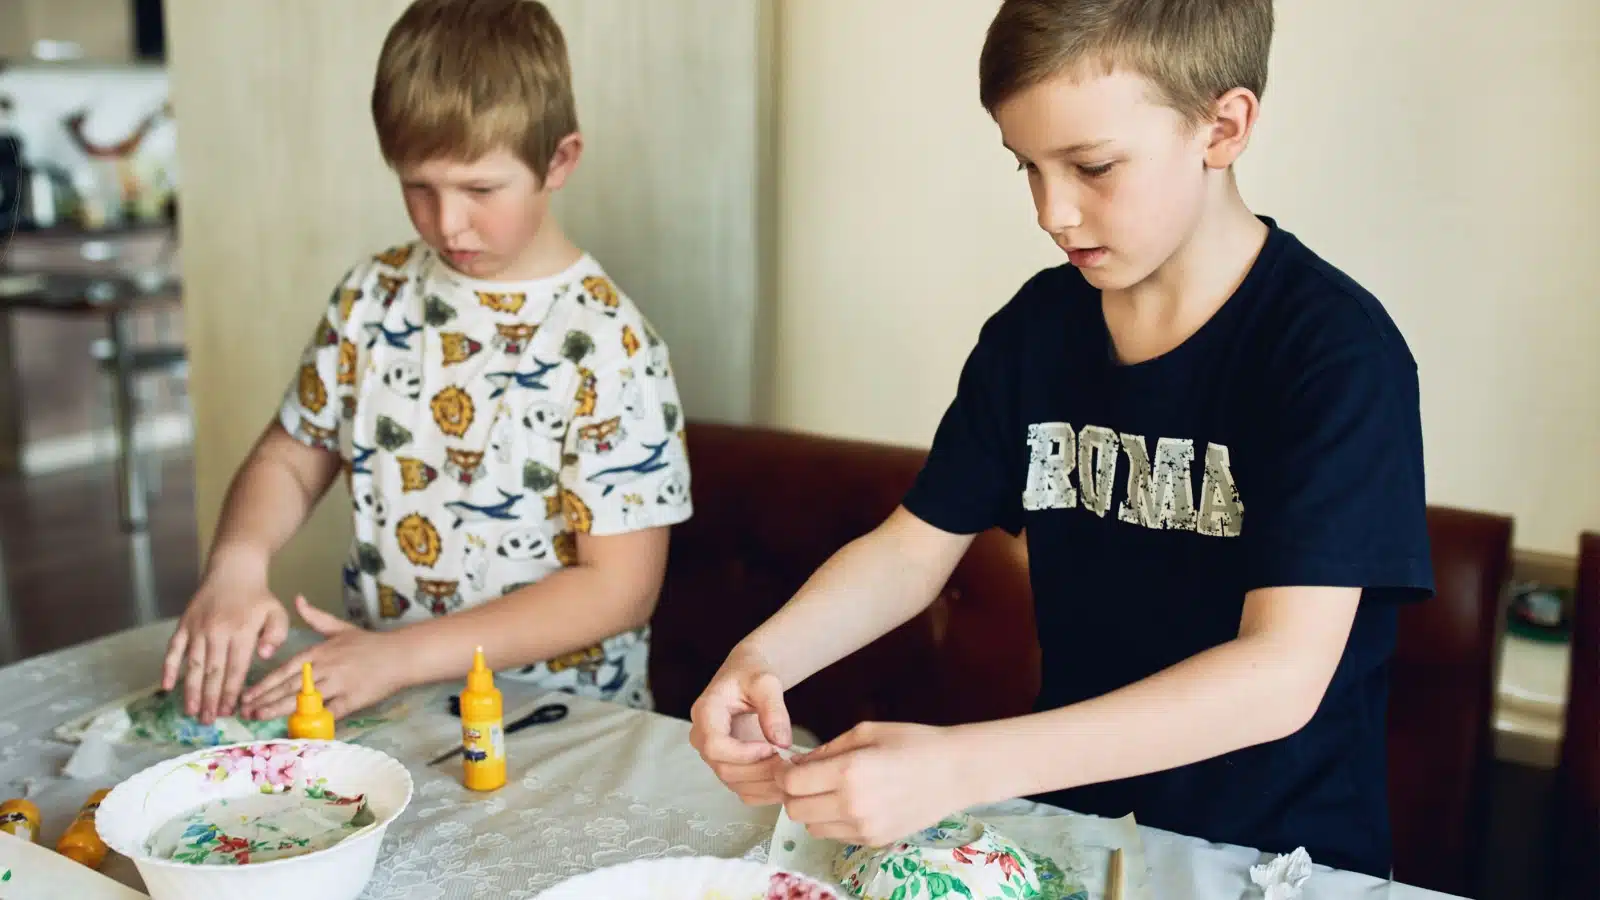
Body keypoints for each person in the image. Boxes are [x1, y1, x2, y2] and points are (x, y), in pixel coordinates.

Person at [688, 0, 1430, 879]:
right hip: (1079, 834)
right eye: (1028, 167)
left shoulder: (1334, 354)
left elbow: (1280, 675)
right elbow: (912, 550)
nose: (1053, 211)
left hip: (1279, 860)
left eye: (1092, 166)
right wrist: (763, 656)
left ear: (1223, 128)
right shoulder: (1037, 331)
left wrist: (960, 765)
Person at [161, 0, 692, 727]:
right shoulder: (371, 296)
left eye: (479, 190)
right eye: (418, 186)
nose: (447, 222)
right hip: (397, 703)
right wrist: (237, 562)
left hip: (562, 720)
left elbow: (618, 590)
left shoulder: (609, 344)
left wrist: (398, 656)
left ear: (559, 160)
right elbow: (291, 456)